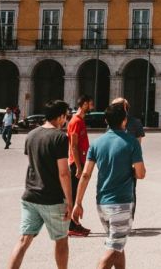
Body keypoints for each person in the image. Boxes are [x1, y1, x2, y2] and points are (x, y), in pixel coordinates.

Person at [72, 101, 146, 269]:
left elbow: (85, 174)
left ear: (106, 121)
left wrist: (78, 202)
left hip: (102, 203)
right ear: (124, 120)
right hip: (121, 203)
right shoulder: (131, 142)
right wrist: (131, 170)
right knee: (113, 248)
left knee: (118, 244)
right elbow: (141, 174)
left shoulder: (96, 143)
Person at [8, 100, 73, 269]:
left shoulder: (32, 134)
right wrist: (70, 201)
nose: (66, 120)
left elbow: (33, 163)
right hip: (52, 198)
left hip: (30, 196)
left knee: (24, 240)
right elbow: (64, 173)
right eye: (66, 116)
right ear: (60, 117)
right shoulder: (60, 137)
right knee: (61, 240)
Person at [66, 95, 93, 237]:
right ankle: (71, 226)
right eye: (90, 104)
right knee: (73, 196)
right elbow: (74, 146)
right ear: (84, 104)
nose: (92, 106)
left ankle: (75, 224)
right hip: (76, 163)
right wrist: (78, 166)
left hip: (80, 161)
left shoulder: (80, 120)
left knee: (76, 195)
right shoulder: (76, 121)